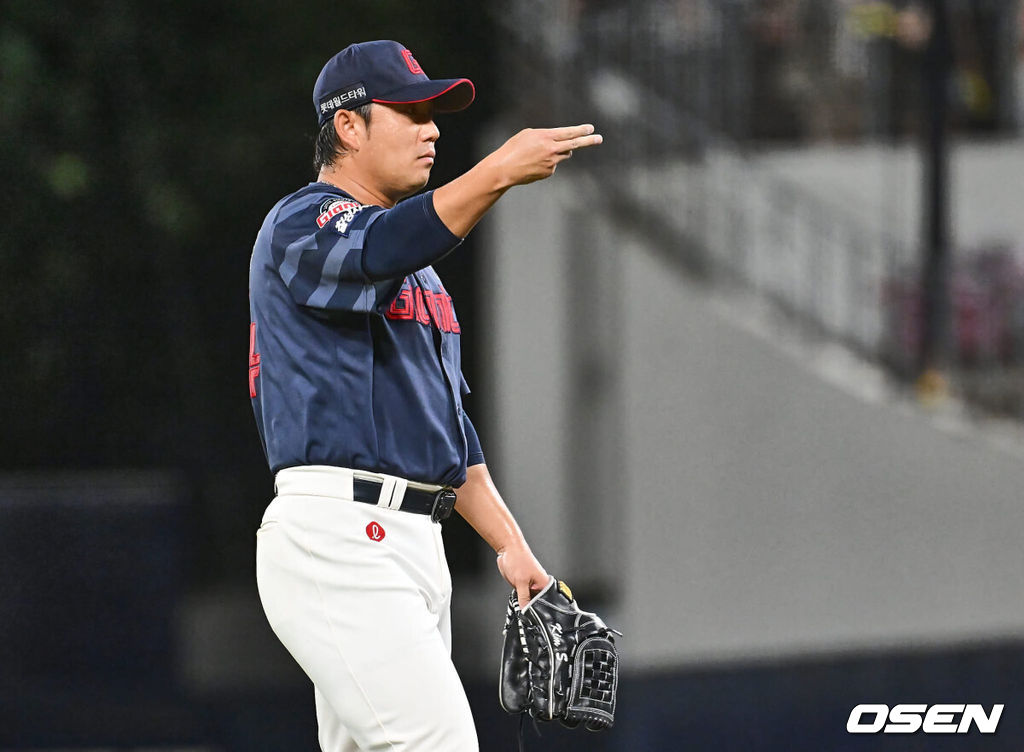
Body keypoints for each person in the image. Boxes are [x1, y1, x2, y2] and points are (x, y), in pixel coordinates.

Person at [248, 40, 602, 751]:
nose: (432, 128)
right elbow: (382, 247)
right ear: (348, 126)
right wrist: (497, 170)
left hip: (414, 543)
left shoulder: (425, 280)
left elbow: (448, 433)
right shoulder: (300, 224)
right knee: (436, 743)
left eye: (434, 113)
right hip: (338, 535)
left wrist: (514, 549)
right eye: (410, 111)